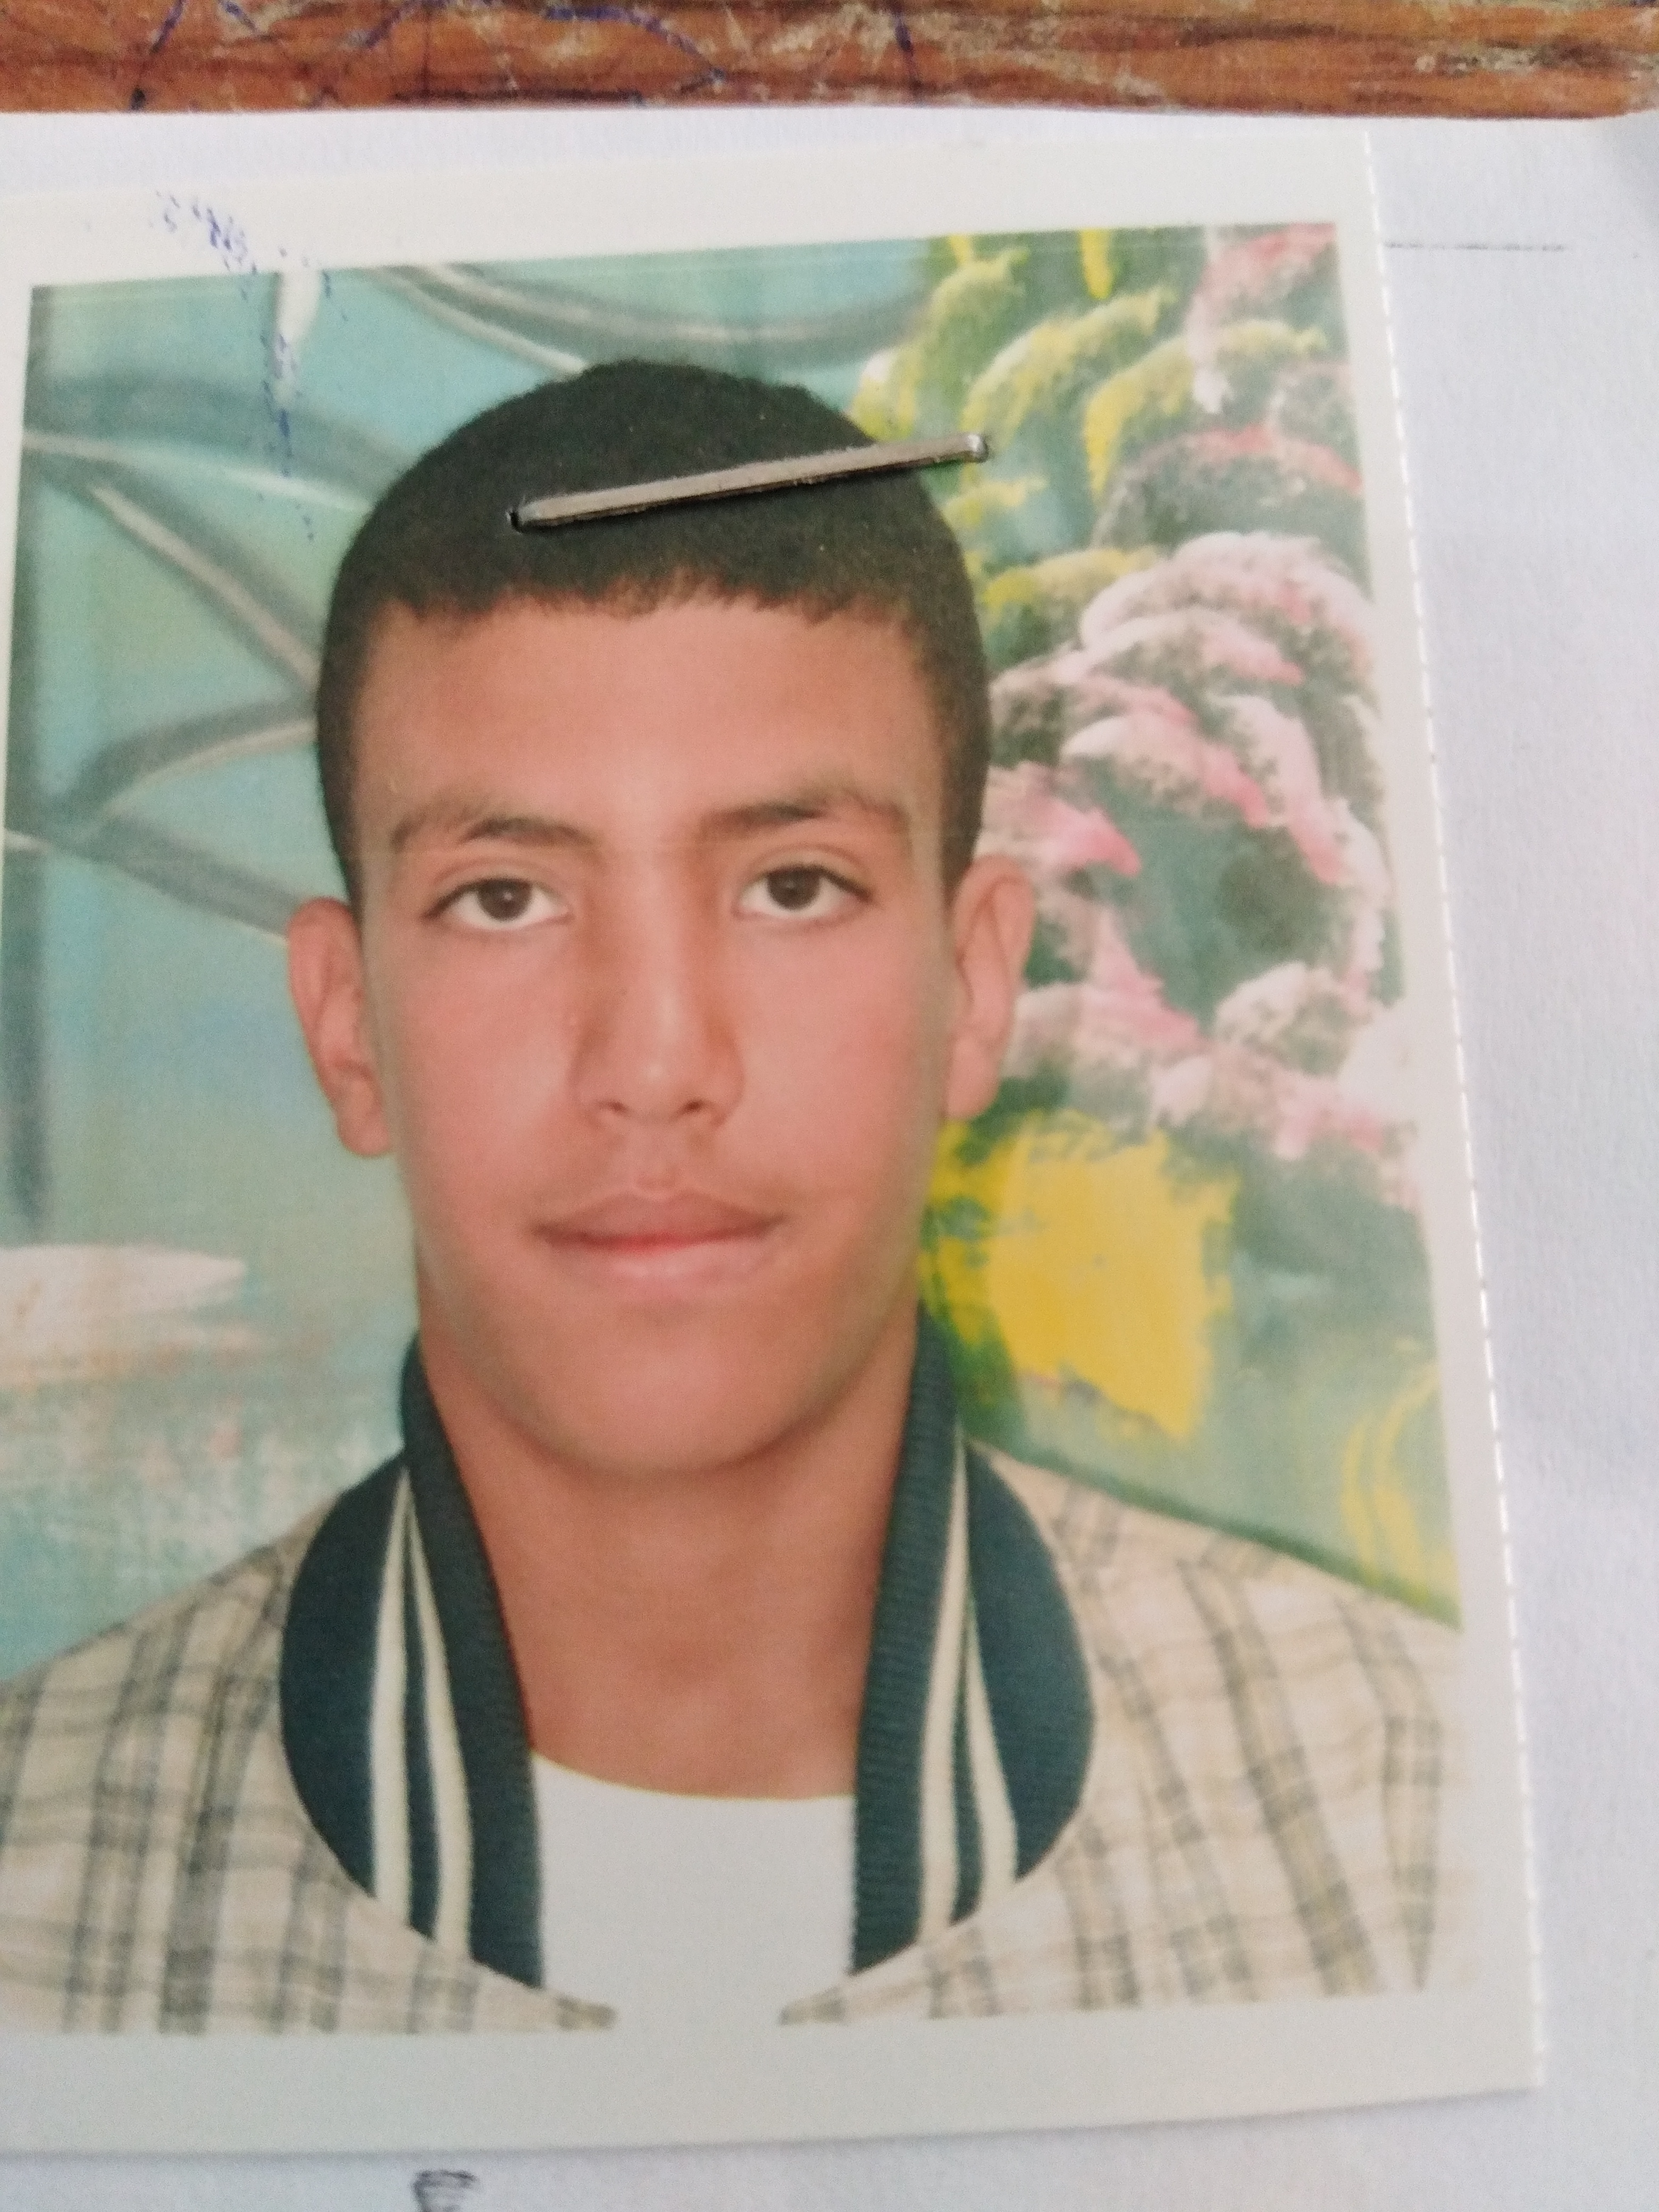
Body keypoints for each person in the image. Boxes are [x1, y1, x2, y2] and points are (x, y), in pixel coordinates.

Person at [0, 362, 1462, 2033]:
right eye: (503, 898)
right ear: (348, 1029)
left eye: (792, 886)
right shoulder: (34, 1891)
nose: (655, 1062)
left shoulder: (1410, 1823)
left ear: (975, 988)